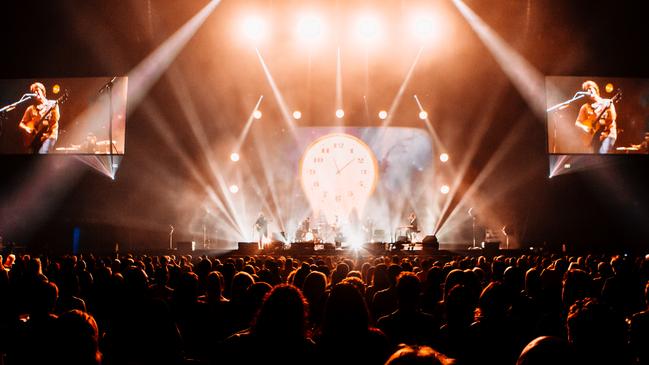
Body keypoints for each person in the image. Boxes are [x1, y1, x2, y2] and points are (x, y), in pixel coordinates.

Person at [574, 80, 617, 154]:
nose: (588, 91)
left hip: (608, 135)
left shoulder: (607, 102)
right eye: (586, 90)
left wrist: (608, 110)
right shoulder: (585, 107)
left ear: (595, 89)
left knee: (602, 153)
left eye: (590, 88)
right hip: (594, 137)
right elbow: (577, 123)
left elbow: (613, 118)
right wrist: (584, 127)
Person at [18, 82, 60, 154]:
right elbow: (21, 124)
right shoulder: (31, 109)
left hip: (49, 137)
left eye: (37, 90)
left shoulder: (53, 104)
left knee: (41, 154)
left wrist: (48, 114)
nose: (36, 93)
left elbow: (55, 120)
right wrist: (27, 129)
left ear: (43, 92)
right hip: (34, 140)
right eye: (34, 92)